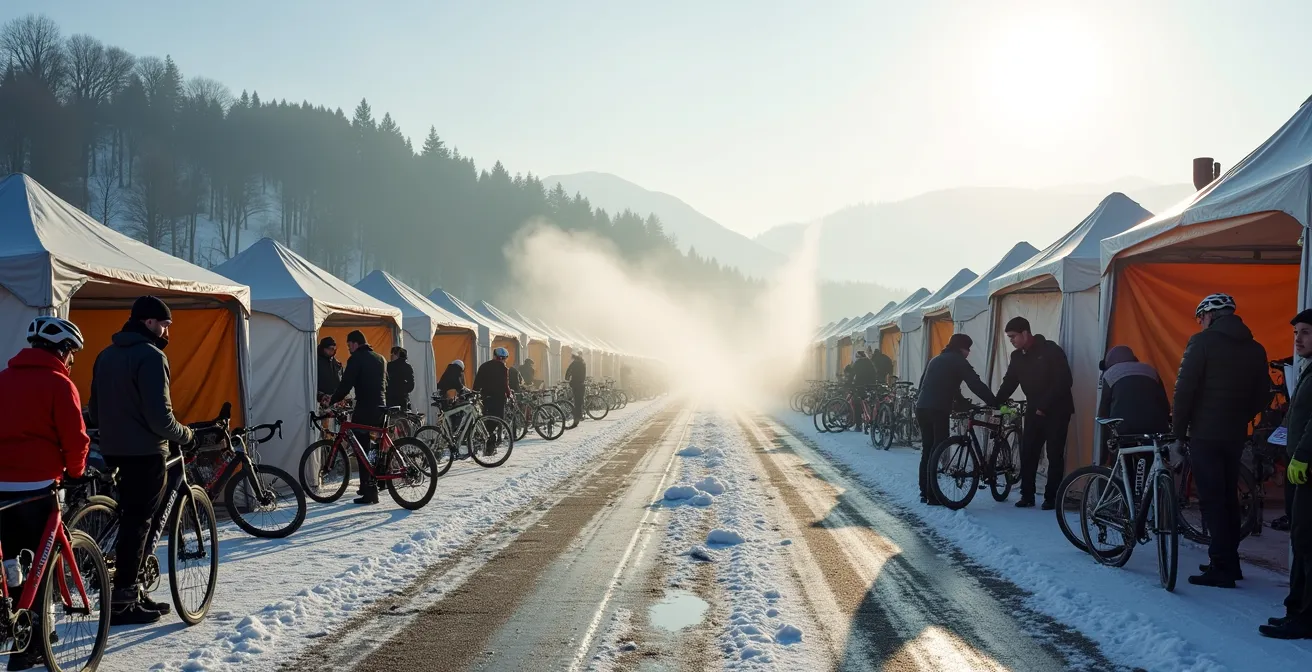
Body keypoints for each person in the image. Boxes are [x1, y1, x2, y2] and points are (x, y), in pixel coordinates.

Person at [89, 296, 193, 625]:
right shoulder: (151, 356)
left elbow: (94, 406)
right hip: (146, 451)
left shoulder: (105, 355)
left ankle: (134, 590)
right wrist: (186, 435)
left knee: (128, 518)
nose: (167, 331)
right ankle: (123, 601)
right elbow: (160, 418)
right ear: (149, 322)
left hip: (112, 449)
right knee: (139, 523)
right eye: (165, 324)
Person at [0, 317, 90, 670]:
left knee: (14, 564)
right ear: (64, 351)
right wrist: (77, 472)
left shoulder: (3, 379)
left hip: (1, 486)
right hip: (38, 486)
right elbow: (76, 438)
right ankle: (31, 647)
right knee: (39, 563)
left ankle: (15, 624)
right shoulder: (59, 383)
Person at [1174, 293, 1270, 588]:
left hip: (1205, 432)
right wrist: (1240, 417)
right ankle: (1230, 561)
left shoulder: (1201, 342)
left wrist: (1178, 432)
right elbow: (1262, 394)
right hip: (1235, 433)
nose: (1200, 323)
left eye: (1201, 317)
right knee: (1228, 496)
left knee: (1212, 499)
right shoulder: (1255, 348)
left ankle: (1221, 567)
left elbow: (1184, 391)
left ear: (1211, 315)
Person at [1263, 309, 1312, 638]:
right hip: (1300, 470)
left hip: (1307, 470)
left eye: (1306, 332)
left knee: (1309, 542)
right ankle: (1296, 607)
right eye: (1296, 332)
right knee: (1299, 537)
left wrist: (1303, 455)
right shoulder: (1307, 369)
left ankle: (1307, 618)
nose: (1298, 338)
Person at [995, 316, 1074, 510]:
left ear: (1025, 333)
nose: (1011, 340)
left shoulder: (1051, 350)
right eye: (1009, 337)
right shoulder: (1016, 357)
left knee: (1054, 454)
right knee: (1028, 452)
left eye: (1013, 336)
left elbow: (1064, 381)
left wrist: (1044, 405)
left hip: (1057, 411)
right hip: (1033, 411)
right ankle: (1027, 495)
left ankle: (1051, 497)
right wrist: (995, 402)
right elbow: (1009, 382)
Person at [916, 334, 998, 505]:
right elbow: (974, 383)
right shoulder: (958, 360)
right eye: (968, 349)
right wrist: (994, 402)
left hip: (922, 407)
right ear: (962, 348)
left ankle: (925, 491)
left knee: (928, 448)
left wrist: (963, 403)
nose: (969, 353)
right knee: (937, 449)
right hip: (938, 409)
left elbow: (941, 385)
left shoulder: (936, 359)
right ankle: (933, 495)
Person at [329, 330, 387, 505]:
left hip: (365, 408)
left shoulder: (356, 359)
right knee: (374, 448)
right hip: (381, 406)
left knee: (361, 448)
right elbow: (384, 383)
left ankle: (369, 492)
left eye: (349, 346)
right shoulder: (380, 358)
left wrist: (333, 400)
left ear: (355, 344)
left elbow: (346, 384)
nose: (349, 349)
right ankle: (371, 484)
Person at [1096, 345, 1171, 451]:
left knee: (1123, 461)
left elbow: (1103, 411)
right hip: (1155, 429)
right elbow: (1165, 405)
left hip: (1124, 430)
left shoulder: (1110, 374)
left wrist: (1105, 449)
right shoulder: (1151, 370)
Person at [474, 347, 513, 421]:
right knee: (498, 418)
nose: (502, 360)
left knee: (485, 415)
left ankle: (485, 431)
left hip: (485, 395)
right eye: (502, 358)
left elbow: (477, 382)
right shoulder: (503, 368)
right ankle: (491, 431)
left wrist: (475, 392)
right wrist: (509, 394)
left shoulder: (484, 366)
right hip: (498, 397)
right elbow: (504, 383)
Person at [847, 350, 881, 433]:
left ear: (859, 357)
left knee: (857, 404)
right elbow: (875, 373)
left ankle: (858, 426)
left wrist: (848, 384)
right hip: (871, 385)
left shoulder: (858, 363)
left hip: (860, 385)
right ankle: (873, 421)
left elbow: (852, 374)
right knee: (871, 403)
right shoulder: (870, 362)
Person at [317, 336, 343, 401]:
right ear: (324, 348)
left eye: (334, 349)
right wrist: (320, 395)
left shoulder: (334, 361)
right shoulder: (315, 362)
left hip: (334, 398)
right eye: (331, 349)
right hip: (321, 399)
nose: (333, 351)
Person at [566, 351, 587, 423]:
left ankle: (577, 416)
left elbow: (568, 371)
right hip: (581, 384)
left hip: (575, 383)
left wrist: (567, 378)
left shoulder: (575, 364)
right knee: (579, 401)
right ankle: (578, 415)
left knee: (577, 400)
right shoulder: (583, 363)